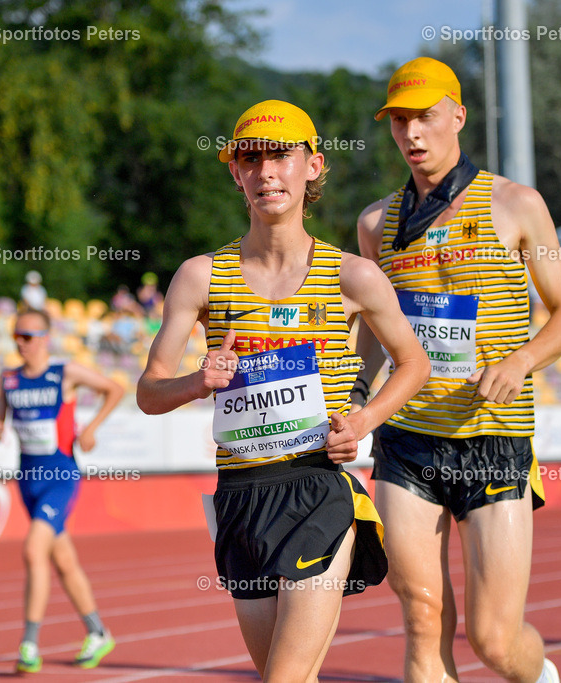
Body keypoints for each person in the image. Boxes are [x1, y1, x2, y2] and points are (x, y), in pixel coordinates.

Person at [137, 100, 430, 681]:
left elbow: (413, 364)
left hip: (319, 491)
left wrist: (365, 421)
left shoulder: (353, 275)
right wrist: (198, 381)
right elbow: (149, 391)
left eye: (281, 154)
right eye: (250, 157)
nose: (266, 170)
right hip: (241, 497)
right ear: (235, 172)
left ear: (314, 166)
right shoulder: (200, 276)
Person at [353, 57, 561, 682]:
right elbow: (376, 333)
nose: (412, 134)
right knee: (423, 620)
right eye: (400, 121)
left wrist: (521, 358)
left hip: (493, 439)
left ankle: (540, 677)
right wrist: (354, 401)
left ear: (458, 115)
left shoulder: (516, 204)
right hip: (407, 441)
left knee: (493, 640)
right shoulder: (376, 223)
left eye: (425, 117)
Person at [0, 309, 124, 672]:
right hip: (27, 481)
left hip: (60, 478)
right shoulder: (9, 379)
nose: (21, 342)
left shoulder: (64, 374)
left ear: (46, 338)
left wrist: (91, 428)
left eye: (28, 337)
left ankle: (29, 643)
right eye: (17, 335)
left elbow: (115, 389)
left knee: (34, 550)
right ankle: (98, 632)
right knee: (63, 560)